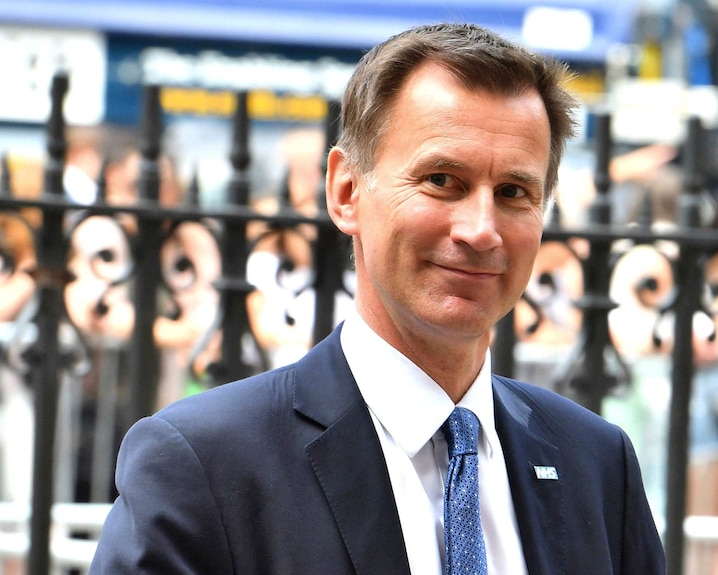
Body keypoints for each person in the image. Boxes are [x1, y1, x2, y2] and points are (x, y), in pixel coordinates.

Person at [90, 23, 665, 574]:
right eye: (442, 180)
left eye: (514, 192)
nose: (481, 229)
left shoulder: (596, 463)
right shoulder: (206, 462)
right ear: (345, 191)